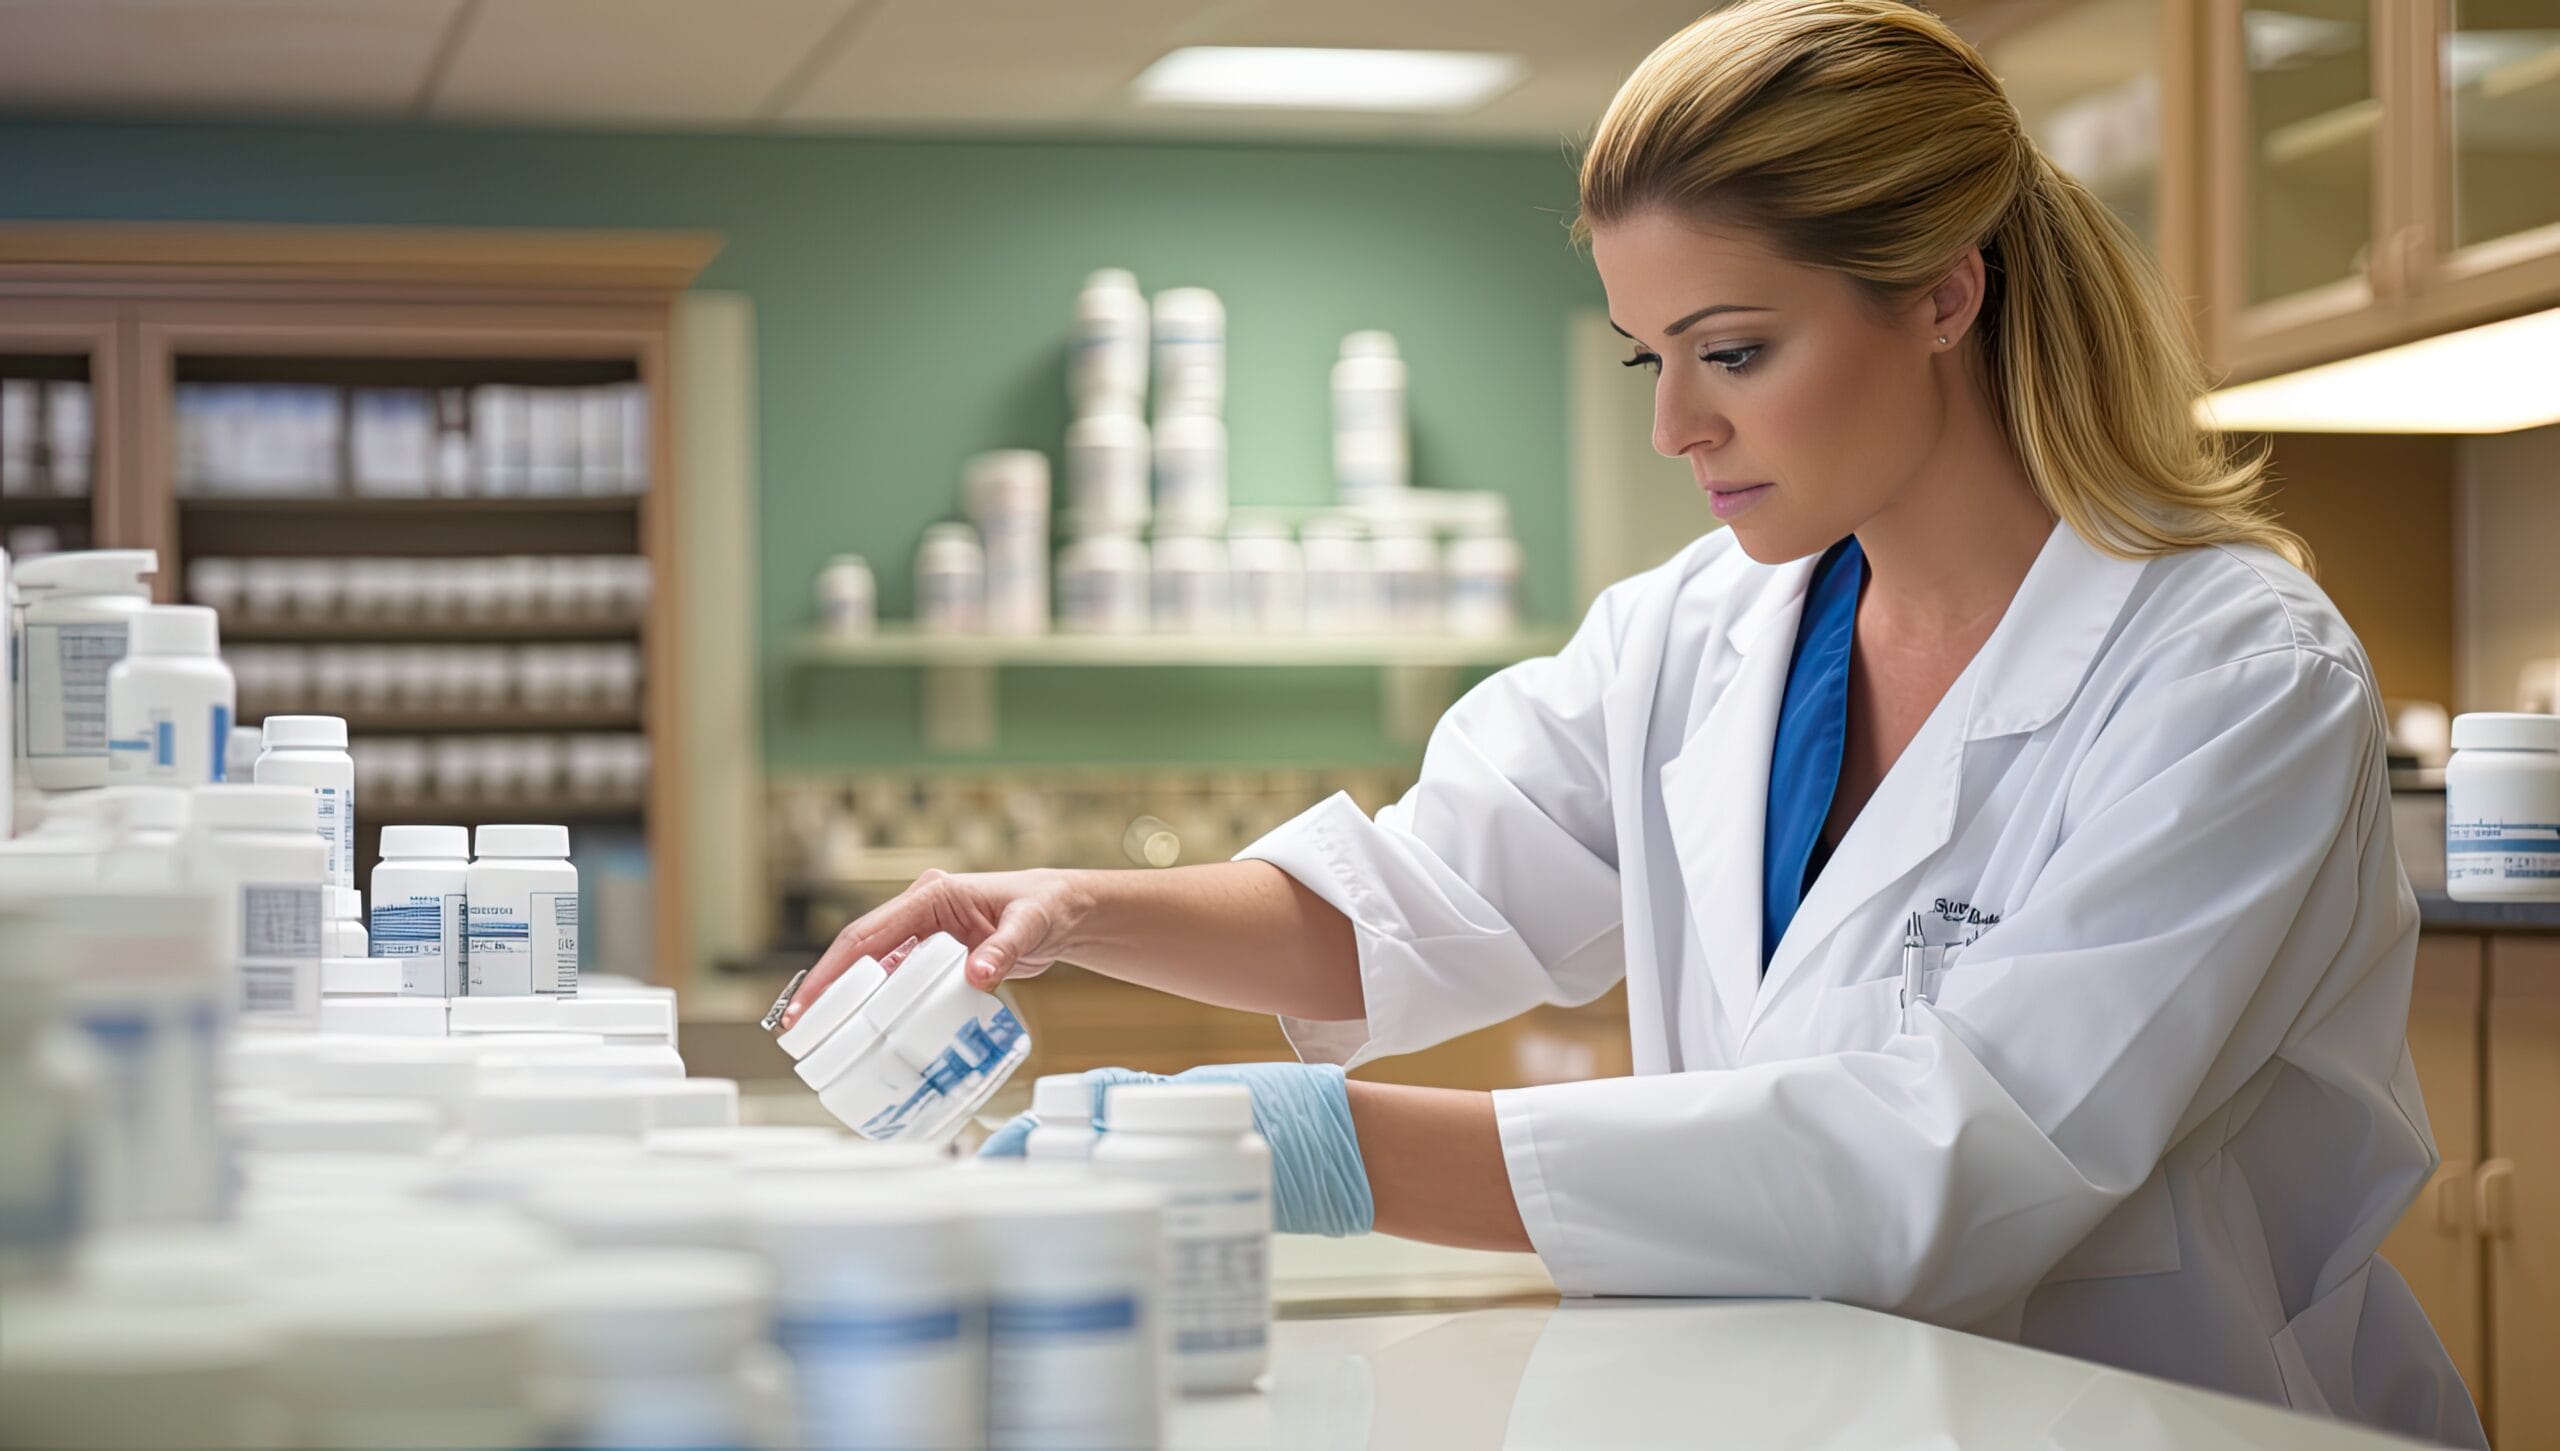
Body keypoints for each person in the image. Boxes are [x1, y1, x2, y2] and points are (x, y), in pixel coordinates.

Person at [785, 0, 2481, 1440]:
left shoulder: (2231, 679)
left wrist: (1331, 1145)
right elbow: (1417, 900)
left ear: (1945, 295)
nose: (1677, 424)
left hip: (2143, 1419)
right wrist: (1072, 912)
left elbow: (1962, 1159)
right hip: (1794, 1391)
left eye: (1730, 349)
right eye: (1642, 359)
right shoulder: (1702, 627)